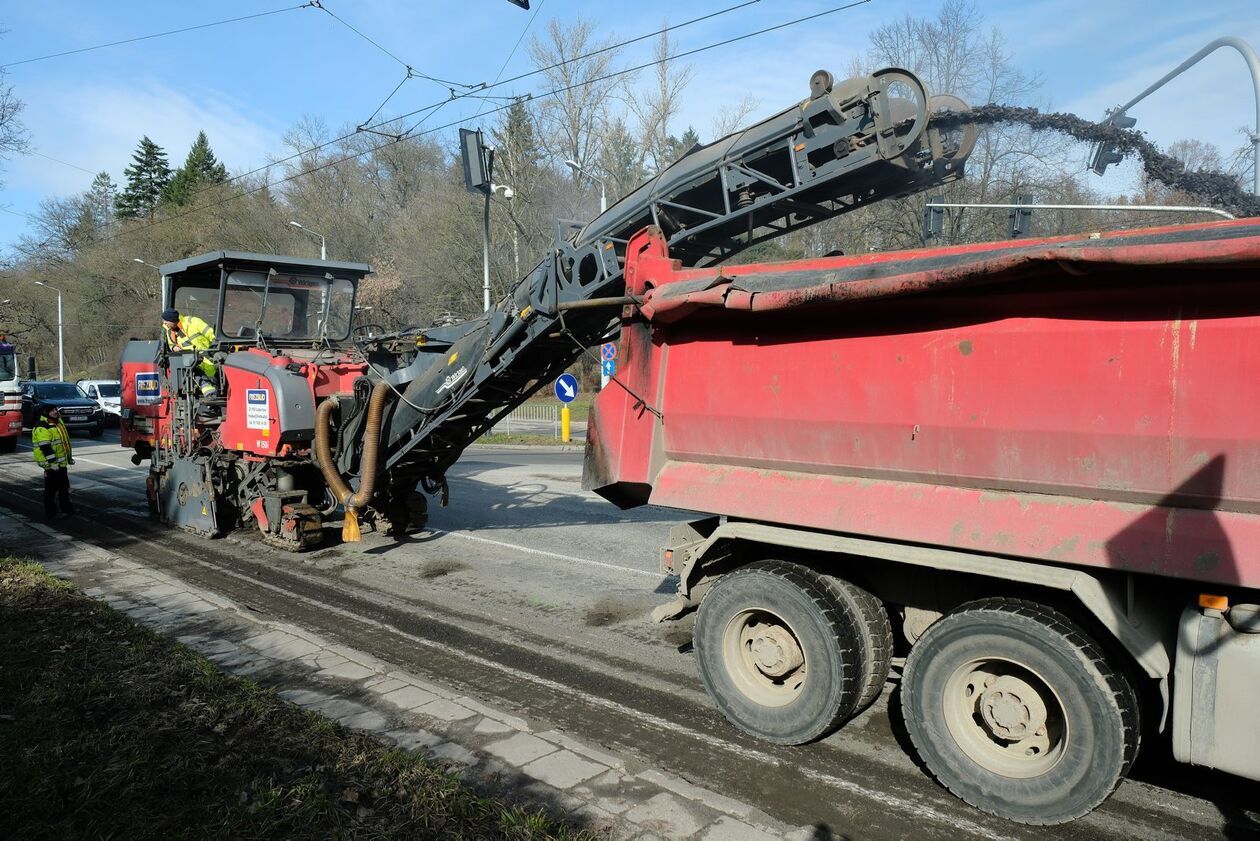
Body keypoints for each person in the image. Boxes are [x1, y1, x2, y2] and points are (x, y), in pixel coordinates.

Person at [161, 307, 218, 398]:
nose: (164, 323)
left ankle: (211, 391)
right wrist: (174, 347)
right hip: (189, 361)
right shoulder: (169, 331)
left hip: (206, 356)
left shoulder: (193, 322)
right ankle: (209, 393)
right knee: (193, 372)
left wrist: (215, 346)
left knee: (212, 376)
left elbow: (211, 334)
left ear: (173, 320)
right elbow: (172, 344)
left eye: (166, 321)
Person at [32, 406, 75, 519]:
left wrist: (68, 458)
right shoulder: (42, 427)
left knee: (64, 487)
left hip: (60, 463)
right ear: (45, 413)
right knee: (51, 490)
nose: (55, 412)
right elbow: (45, 447)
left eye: (55, 409)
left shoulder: (57, 422)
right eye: (51, 410)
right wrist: (53, 462)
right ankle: (51, 513)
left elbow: (64, 442)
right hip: (52, 465)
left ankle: (66, 509)